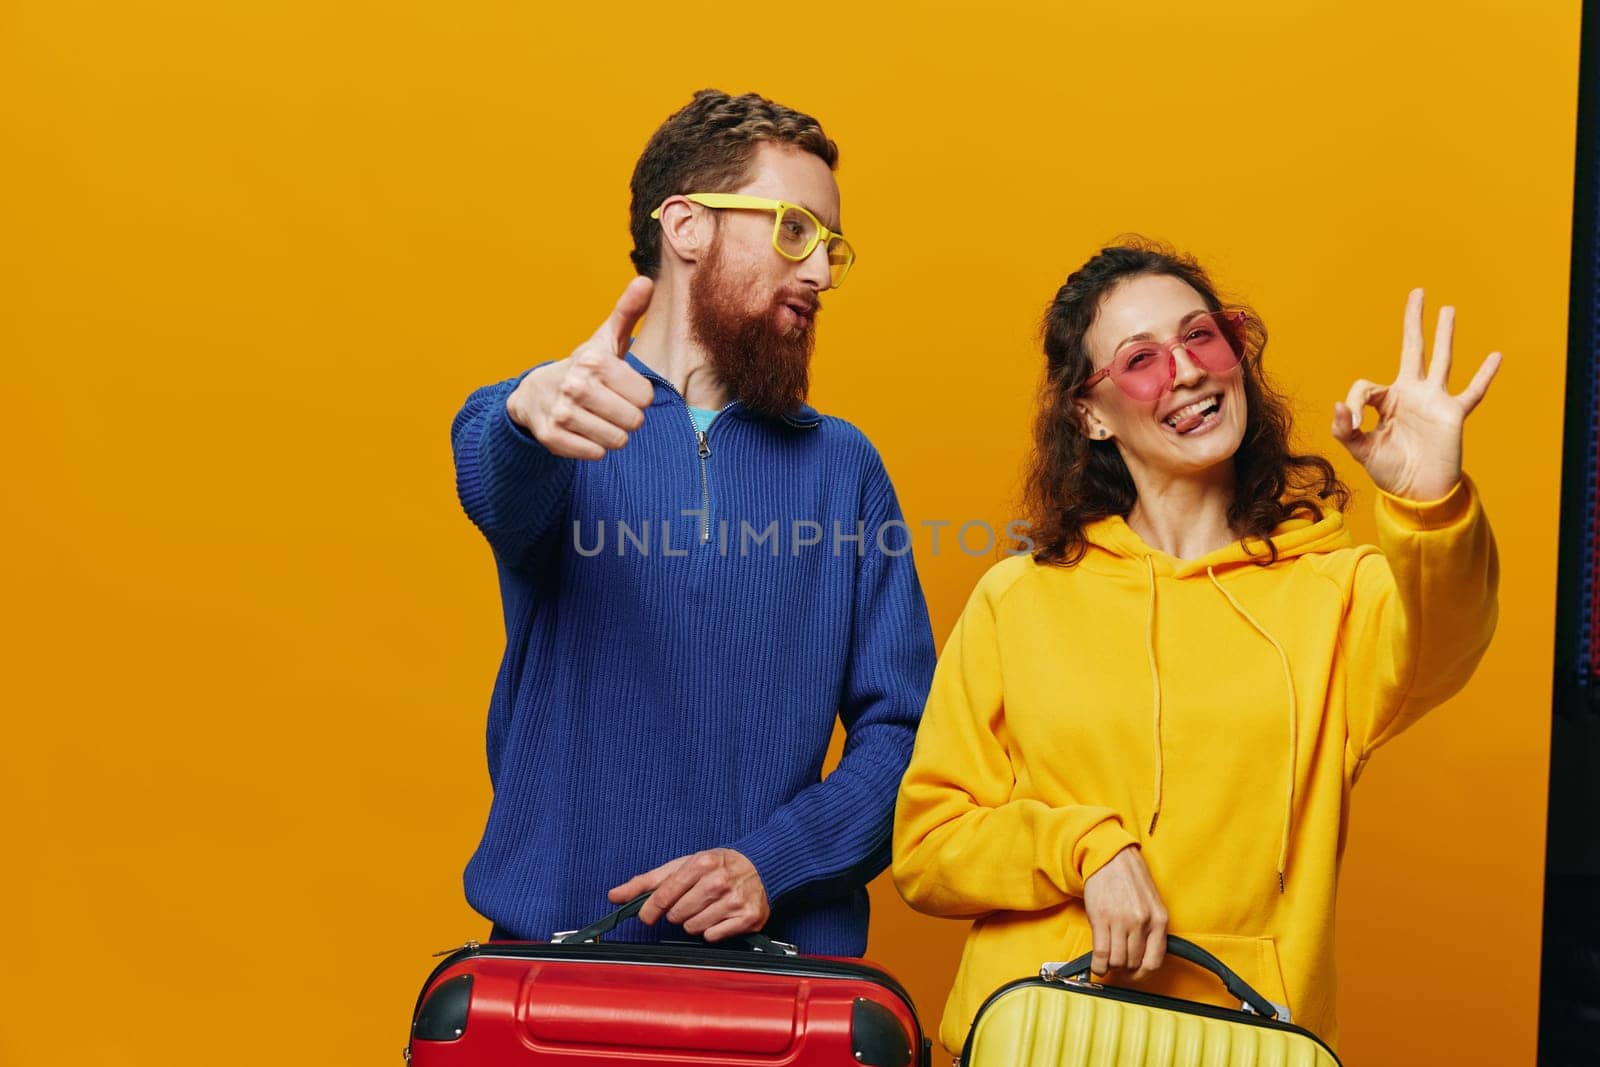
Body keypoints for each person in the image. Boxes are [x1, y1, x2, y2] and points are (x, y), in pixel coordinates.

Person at [892, 241, 1500, 1053]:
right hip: (1040, 1033)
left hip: (1243, 1037)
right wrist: (1084, 848)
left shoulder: (1333, 588)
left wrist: (1428, 504)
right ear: (1091, 413)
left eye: (1202, 337)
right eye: (1141, 359)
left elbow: (1446, 643)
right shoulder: (1019, 598)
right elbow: (928, 847)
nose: (1185, 371)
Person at [450, 89, 935, 954]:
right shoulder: (568, 417)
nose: (820, 272)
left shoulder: (845, 468)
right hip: (552, 965)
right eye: (794, 230)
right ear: (686, 226)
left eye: (829, 245)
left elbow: (908, 737)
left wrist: (769, 862)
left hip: (779, 984)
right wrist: (522, 411)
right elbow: (495, 477)